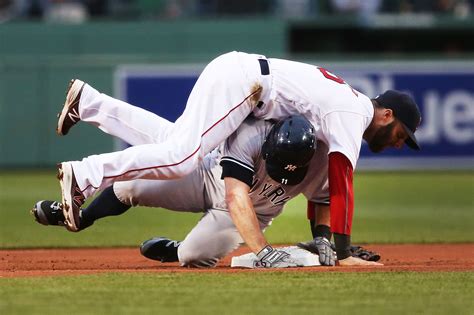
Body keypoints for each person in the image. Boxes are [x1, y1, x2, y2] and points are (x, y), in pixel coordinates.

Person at [55, 51, 421, 265]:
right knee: (181, 157)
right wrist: (342, 250)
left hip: (246, 84)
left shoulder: (347, 107)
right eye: (401, 135)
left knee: (175, 141)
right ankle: (85, 174)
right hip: (246, 85)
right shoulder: (353, 114)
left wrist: (325, 240)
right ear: (387, 114)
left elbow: (324, 190)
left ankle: (88, 102)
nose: (399, 143)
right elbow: (342, 179)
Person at [34, 114, 341, 268]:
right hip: (211, 178)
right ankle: (83, 217)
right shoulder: (253, 135)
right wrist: (263, 252)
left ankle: (175, 249)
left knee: (195, 256)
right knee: (130, 185)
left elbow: (323, 199)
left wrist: (323, 237)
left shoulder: (318, 162)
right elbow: (235, 194)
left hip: (251, 213)